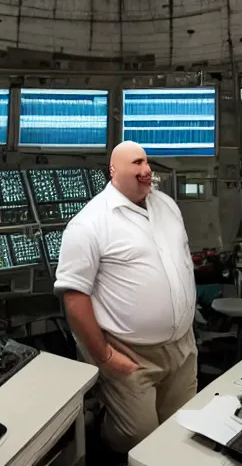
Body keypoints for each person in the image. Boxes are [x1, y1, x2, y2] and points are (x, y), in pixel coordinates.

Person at [54, 140, 198, 453]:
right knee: (138, 441)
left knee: (182, 432)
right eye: (135, 163)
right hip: (130, 352)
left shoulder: (168, 206)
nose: (145, 169)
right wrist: (105, 356)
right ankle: (102, 428)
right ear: (113, 170)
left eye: (146, 162)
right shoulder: (88, 224)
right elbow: (75, 299)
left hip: (182, 347)